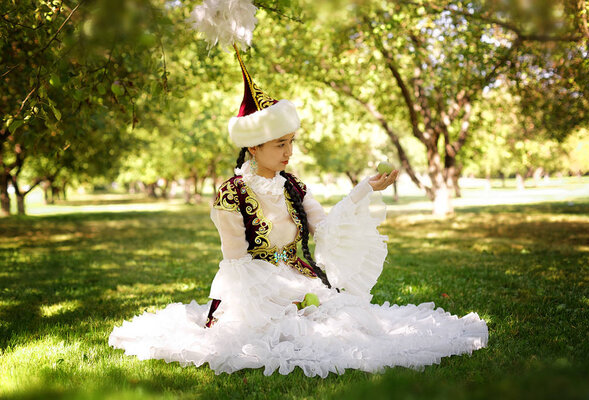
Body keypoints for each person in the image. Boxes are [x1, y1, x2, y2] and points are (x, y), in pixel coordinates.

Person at [108, 46, 488, 378]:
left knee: (348, 322)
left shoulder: (292, 185)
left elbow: (325, 228)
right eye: (279, 144)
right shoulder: (231, 194)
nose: (288, 152)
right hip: (253, 291)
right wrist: (277, 297)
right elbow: (235, 263)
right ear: (253, 148)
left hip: (298, 277)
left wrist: (362, 190)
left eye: (291, 142)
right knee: (285, 332)